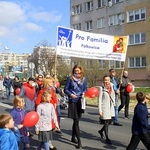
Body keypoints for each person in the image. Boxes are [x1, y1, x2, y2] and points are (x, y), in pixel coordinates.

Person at [64, 64, 87, 149]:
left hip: (80, 101)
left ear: (81, 71)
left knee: (76, 120)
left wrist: (84, 92)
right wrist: (70, 94)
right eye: (75, 71)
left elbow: (85, 88)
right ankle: (79, 141)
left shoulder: (83, 79)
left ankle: (73, 137)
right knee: (76, 120)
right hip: (73, 101)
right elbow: (65, 89)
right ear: (73, 71)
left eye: (78, 71)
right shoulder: (70, 79)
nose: (77, 72)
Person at [98, 75, 115, 144]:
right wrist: (100, 110)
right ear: (103, 81)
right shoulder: (101, 88)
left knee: (109, 122)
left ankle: (101, 131)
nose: (106, 81)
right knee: (106, 123)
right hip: (104, 108)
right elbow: (99, 100)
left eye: (108, 80)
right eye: (105, 80)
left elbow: (113, 95)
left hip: (111, 107)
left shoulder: (112, 86)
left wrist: (114, 102)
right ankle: (107, 138)